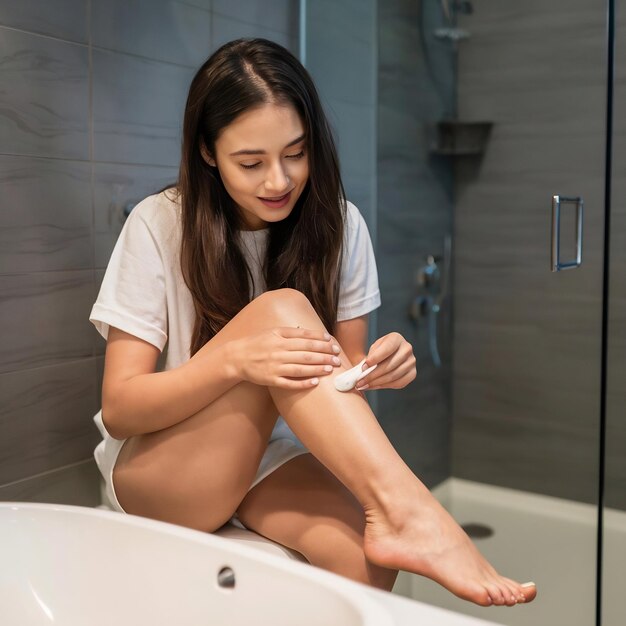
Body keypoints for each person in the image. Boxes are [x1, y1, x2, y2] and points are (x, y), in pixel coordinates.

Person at [90, 38, 536, 607]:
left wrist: (379, 367)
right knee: (281, 312)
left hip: (268, 460)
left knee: (365, 557)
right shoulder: (160, 224)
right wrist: (233, 362)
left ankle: (402, 518)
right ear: (207, 152)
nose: (278, 181)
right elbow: (122, 409)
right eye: (250, 162)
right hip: (162, 468)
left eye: (296, 154)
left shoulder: (340, 226)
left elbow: (338, 379)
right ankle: (415, 513)